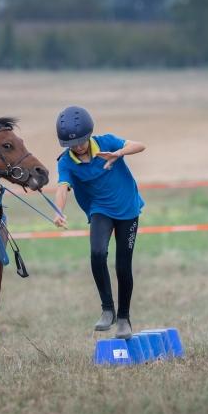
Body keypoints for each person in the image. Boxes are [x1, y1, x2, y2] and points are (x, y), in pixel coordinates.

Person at [53, 106, 146, 339]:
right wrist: (58, 211)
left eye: (81, 141)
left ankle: (124, 318)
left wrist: (120, 153)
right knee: (97, 253)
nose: (77, 147)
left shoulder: (107, 142)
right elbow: (63, 187)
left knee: (123, 266)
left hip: (128, 208)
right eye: (71, 144)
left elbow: (140, 145)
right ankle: (108, 310)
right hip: (100, 210)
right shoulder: (66, 162)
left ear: (89, 135)